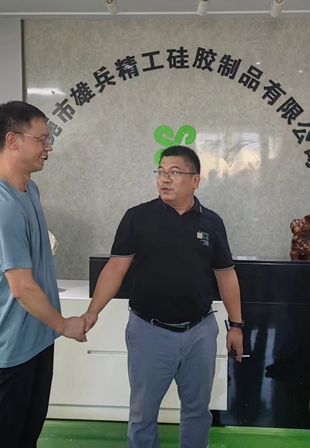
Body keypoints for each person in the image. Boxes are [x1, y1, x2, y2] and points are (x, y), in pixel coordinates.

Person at [82, 145, 244, 448]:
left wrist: (236, 325)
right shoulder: (137, 218)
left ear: (195, 180)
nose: (165, 179)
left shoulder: (212, 223)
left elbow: (226, 275)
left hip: (199, 332)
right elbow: (116, 267)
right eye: (161, 172)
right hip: (149, 331)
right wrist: (93, 312)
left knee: (197, 411)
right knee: (143, 414)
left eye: (174, 172)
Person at [0, 101, 88, 448]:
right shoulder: (2, 208)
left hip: (34, 340)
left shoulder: (28, 190)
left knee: (26, 435)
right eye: (42, 139)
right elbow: (21, 287)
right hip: (8, 348)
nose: (48, 147)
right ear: (13, 140)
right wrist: (64, 324)